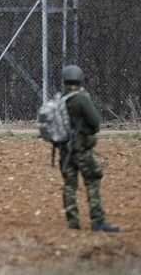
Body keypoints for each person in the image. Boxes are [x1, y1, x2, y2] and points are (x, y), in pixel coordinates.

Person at [56, 65, 119, 232]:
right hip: (82, 149)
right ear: (79, 77)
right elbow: (95, 120)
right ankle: (97, 221)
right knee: (92, 180)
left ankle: (73, 223)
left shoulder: (59, 98)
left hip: (64, 149)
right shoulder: (80, 98)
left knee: (70, 185)